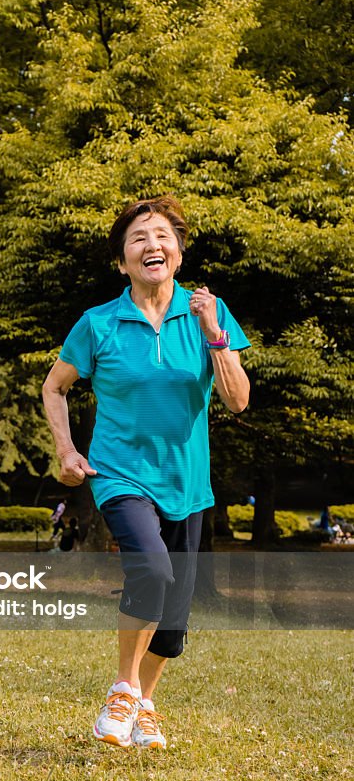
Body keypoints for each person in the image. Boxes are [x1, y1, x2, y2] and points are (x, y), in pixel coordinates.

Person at [42, 195, 250, 750]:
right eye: (138, 238)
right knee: (153, 572)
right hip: (120, 476)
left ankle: (145, 703)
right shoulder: (98, 323)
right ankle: (122, 690)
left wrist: (214, 333)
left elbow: (237, 401)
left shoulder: (211, 313)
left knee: (175, 624)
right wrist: (66, 450)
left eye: (161, 236)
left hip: (188, 482)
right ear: (123, 262)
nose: (151, 245)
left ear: (177, 254)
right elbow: (55, 386)